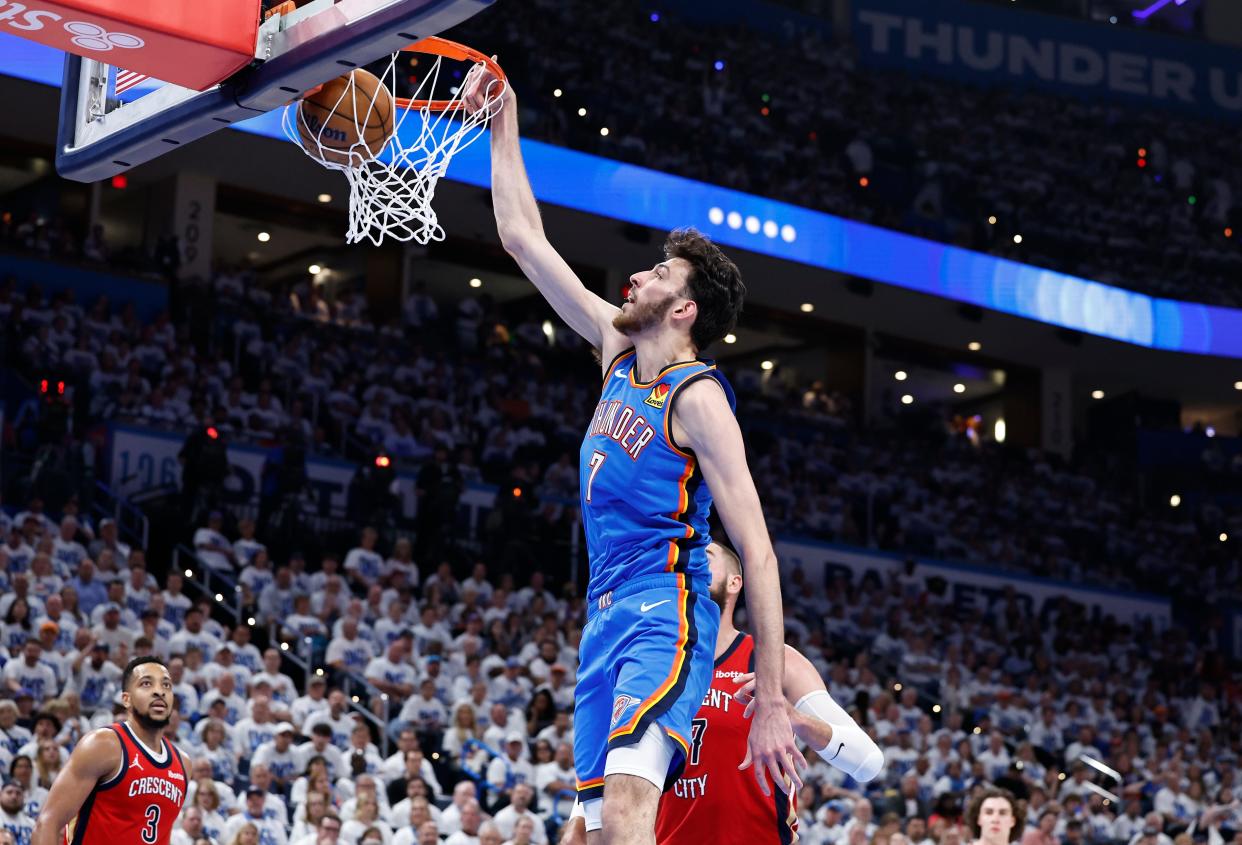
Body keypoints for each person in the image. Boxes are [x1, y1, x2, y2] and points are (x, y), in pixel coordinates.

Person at [463, 66, 800, 845]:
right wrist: (504, 119)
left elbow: (759, 552)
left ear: (682, 309)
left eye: (660, 272)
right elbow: (521, 238)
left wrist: (774, 698)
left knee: (625, 814)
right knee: (593, 833)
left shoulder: (700, 399)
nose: (639, 272)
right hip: (603, 615)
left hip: (667, 612)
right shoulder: (616, 350)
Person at [30, 656, 190, 845]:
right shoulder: (104, 744)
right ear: (126, 699)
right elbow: (48, 823)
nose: (159, 692)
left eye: (166, 685)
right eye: (146, 684)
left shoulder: (183, 763)